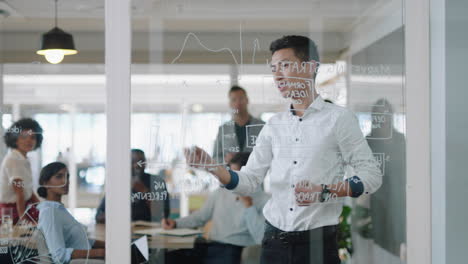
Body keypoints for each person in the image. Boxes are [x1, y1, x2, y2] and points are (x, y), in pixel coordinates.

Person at [184, 35, 382, 264]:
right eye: (273, 68)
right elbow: (249, 180)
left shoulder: (339, 119)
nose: (277, 75)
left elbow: (372, 176)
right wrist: (214, 168)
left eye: (285, 65)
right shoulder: (273, 125)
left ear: (310, 67)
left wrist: (325, 191)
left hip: (316, 246)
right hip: (273, 243)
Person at [163, 152, 270, 264]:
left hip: (235, 249)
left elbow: (260, 237)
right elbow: (200, 217)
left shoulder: (264, 200)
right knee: (169, 257)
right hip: (210, 245)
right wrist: (176, 223)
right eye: (231, 173)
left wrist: (249, 207)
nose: (231, 178)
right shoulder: (220, 193)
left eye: (235, 174)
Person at [36, 162, 105, 264]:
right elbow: (59, 255)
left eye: (67, 177)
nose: (65, 181)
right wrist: (100, 252)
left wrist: (107, 244)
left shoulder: (58, 209)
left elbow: (76, 240)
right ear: (46, 183)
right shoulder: (50, 213)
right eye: (59, 177)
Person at [95, 149, 170, 223]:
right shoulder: (119, 184)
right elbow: (99, 216)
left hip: (151, 230)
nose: (137, 165)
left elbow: (162, 215)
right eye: (132, 162)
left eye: (141, 162)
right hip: (122, 229)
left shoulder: (156, 181)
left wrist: (144, 191)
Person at [0, 118, 43, 224]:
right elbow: (19, 193)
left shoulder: (23, 159)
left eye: (33, 137)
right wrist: (24, 221)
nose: (29, 140)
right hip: (13, 211)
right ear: (15, 139)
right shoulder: (14, 159)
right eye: (24, 137)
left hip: (23, 205)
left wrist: (43, 207)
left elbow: (28, 190)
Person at [212, 86, 265, 164]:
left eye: (241, 99)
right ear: (230, 103)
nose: (238, 103)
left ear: (247, 100)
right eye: (234, 100)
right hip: (230, 174)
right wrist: (226, 160)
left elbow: (270, 153)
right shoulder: (223, 129)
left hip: (256, 174)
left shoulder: (262, 126)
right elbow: (215, 157)